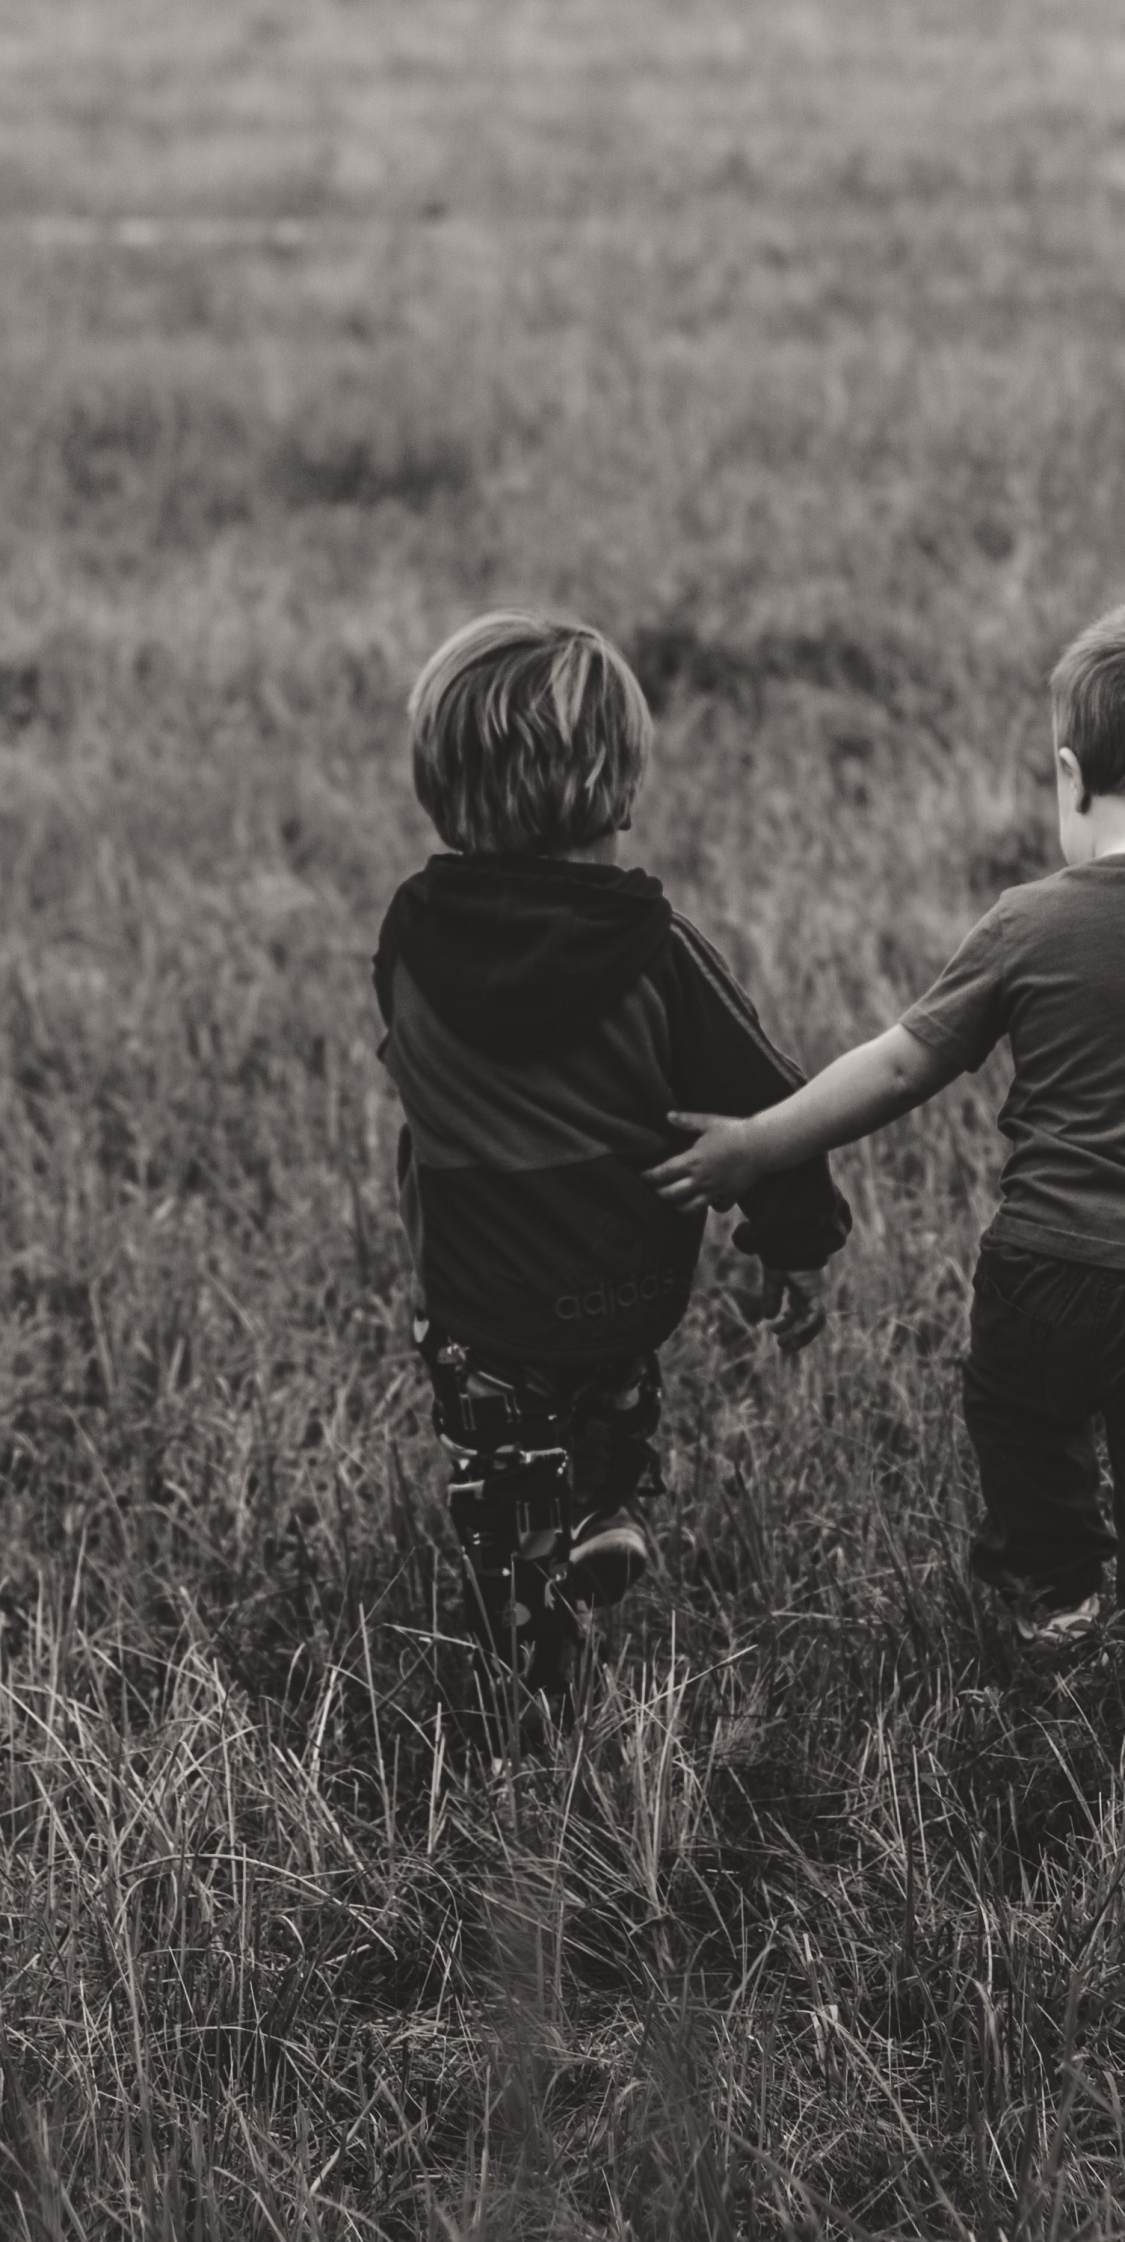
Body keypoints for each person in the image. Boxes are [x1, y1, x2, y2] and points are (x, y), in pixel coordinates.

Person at [374, 611, 851, 1734]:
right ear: (620, 787)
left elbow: (406, 1067)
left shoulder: (411, 936)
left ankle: (534, 1672)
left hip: (481, 1307)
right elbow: (770, 1105)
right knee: (610, 1395)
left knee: (506, 1505)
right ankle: (608, 1504)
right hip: (625, 1287)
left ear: (440, 788)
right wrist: (798, 1244)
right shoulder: (656, 951)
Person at [649, 606, 1125, 1653]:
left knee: (1023, 1427)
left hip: (1046, 1271)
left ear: (1070, 774)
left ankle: (1056, 1602)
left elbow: (902, 1062)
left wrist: (760, 1142)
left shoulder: (1030, 922)